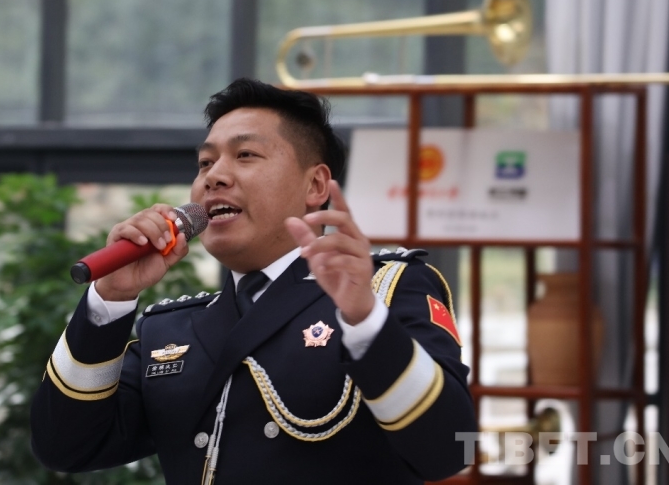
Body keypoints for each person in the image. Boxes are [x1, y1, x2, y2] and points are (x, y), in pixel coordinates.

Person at [31, 78, 477, 484]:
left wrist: (366, 322)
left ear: (315, 185)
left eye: (245, 155)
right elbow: (65, 446)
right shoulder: (169, 329)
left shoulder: (383, 292)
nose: (214, 176)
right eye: (205, 162)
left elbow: (452, 450)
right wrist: (110, 299)